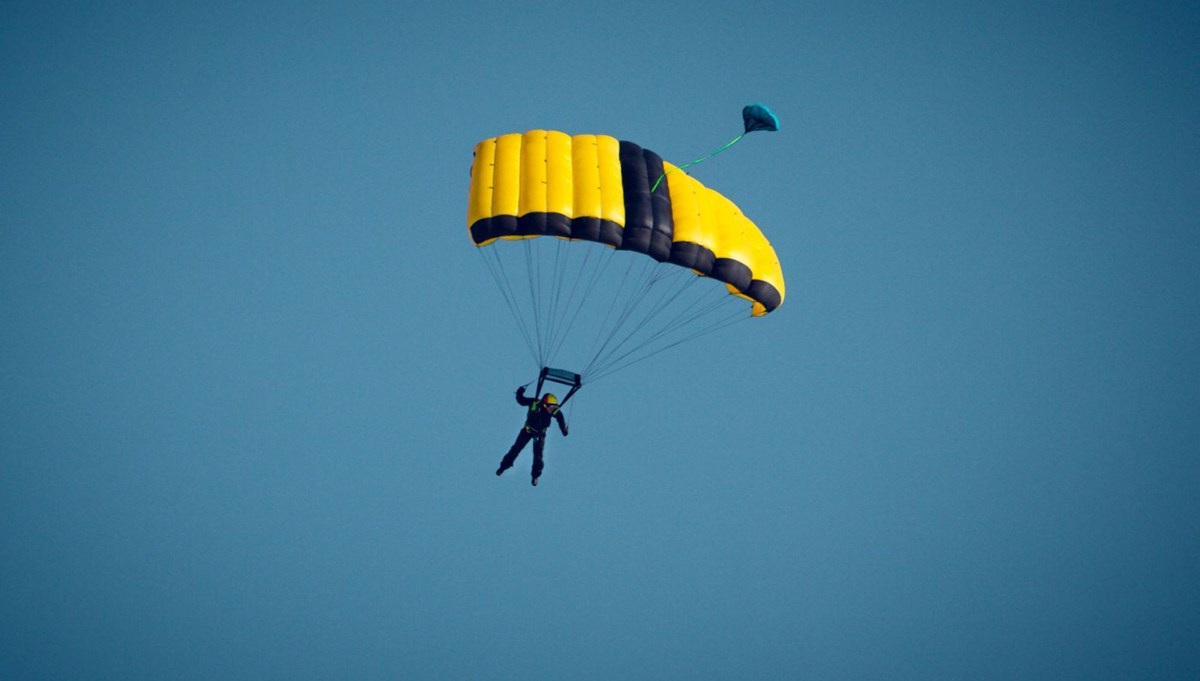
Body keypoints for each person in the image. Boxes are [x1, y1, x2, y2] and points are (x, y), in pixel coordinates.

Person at [495, 386, 568, 486]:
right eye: (551, 406)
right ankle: (503, 467)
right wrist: (519, 392)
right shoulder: (534, 403)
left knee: (538, 455)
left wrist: (563, 428)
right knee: (516, 448)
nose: (552, 409)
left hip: (540, 434)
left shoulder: (554, 410)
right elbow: (521, 401)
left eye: (554, 407)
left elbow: (560, 417)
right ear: (545, 404)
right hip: (527, 431)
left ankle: (535, 476)